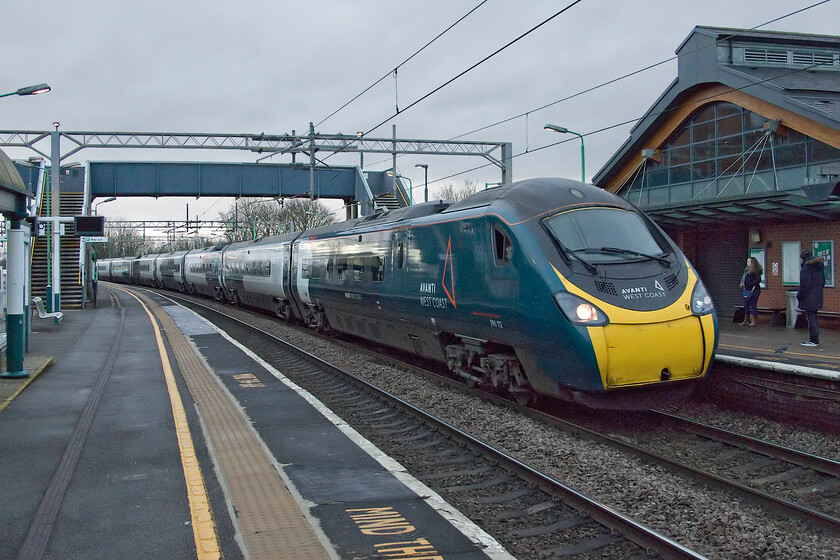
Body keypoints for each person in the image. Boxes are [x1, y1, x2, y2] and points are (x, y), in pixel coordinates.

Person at [797, 249, 825, 347]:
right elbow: (823, 282)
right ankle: (815, 338)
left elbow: (804, 285)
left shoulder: (806, 267)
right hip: (818, 295)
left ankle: (813, 340)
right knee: (814, 317)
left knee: (811, 318)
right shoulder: (820, 267)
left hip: (808, 297)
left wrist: (799, 296)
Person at [740, 257, 763, 327]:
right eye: (747, 261)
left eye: (749, 262)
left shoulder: (755, 271)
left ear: (752, 263)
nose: (747, 263)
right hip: (747, 290)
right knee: (746, 304)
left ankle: (754, 320)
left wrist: (751, 283)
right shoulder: (746, 270)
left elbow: (759, 280)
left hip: (754, 290)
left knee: (753, 305)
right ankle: (746, 319)